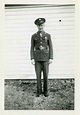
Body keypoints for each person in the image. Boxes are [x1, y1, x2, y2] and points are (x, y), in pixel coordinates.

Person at [30, 18, 53, 97]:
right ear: (37, 26)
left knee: (46, 75)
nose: (41, 27)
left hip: (45, 58)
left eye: (42, 25)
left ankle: (46, 91)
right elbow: (32, 47)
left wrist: (51, 57)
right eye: (39, 25)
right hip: (37, 59)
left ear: (44, 25)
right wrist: (32, 58)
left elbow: (51, 47)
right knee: (38, 75)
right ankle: (39, 91)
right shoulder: (33, 36)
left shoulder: (48, 35)